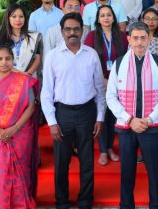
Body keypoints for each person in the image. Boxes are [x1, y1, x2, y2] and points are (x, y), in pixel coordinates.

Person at [41, 12, 106, 209]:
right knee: (61, 162)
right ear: (61, 32)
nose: (72, 32)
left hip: (87, 113)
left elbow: (100, 89)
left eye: (76, 29)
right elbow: (46, 93)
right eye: (68, 29)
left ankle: (85, 200)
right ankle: (61, 200)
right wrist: (52, 122)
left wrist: (100, 117)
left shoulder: (91, 54)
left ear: (82, 30)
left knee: (87, 161)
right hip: (63, 114)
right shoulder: (52, 56)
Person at [106, 21, 158, 209]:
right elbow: (110, 96)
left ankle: (156, 206)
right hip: (127, 127)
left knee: (153, 172)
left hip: (151, 126)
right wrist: (130, 119)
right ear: (129, 39)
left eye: (143, 38)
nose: (139, 42)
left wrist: (150, 118)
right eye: (135, 38)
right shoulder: (119, 63)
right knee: (127, 172)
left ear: (150, 39)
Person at [0, 45, 39, 208]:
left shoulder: (22, 81)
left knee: (21, 171)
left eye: (8, 58)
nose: (4, 62)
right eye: (0, 59)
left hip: (20, 133)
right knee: (0, 172)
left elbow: (31, 106)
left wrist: (14, 128)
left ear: (13, 60)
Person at [84, 5, 128, 166]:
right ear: (97, 19)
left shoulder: (122, 36)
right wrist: (101, 79)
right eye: (102, 15)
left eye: (109, 15)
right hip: (99, 82)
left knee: (113, 115)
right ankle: (103, 150)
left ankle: (110, 147)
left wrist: (115, 81)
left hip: (118, 83)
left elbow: (126, 59)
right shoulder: (91, 36)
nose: (106, 18)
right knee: (101, 115)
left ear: (113, 18)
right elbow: (87, 60)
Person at [0, 3, 43, 77]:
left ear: (25, 18)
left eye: (21, 16)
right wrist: (20, 74)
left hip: (29, 79)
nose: (18, 20)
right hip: (8, 78)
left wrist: (28, 73)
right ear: (8, 18)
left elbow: (37, 58)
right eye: (14, 16)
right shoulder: (2, 37)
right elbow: (0, 60)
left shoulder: (33, 37)